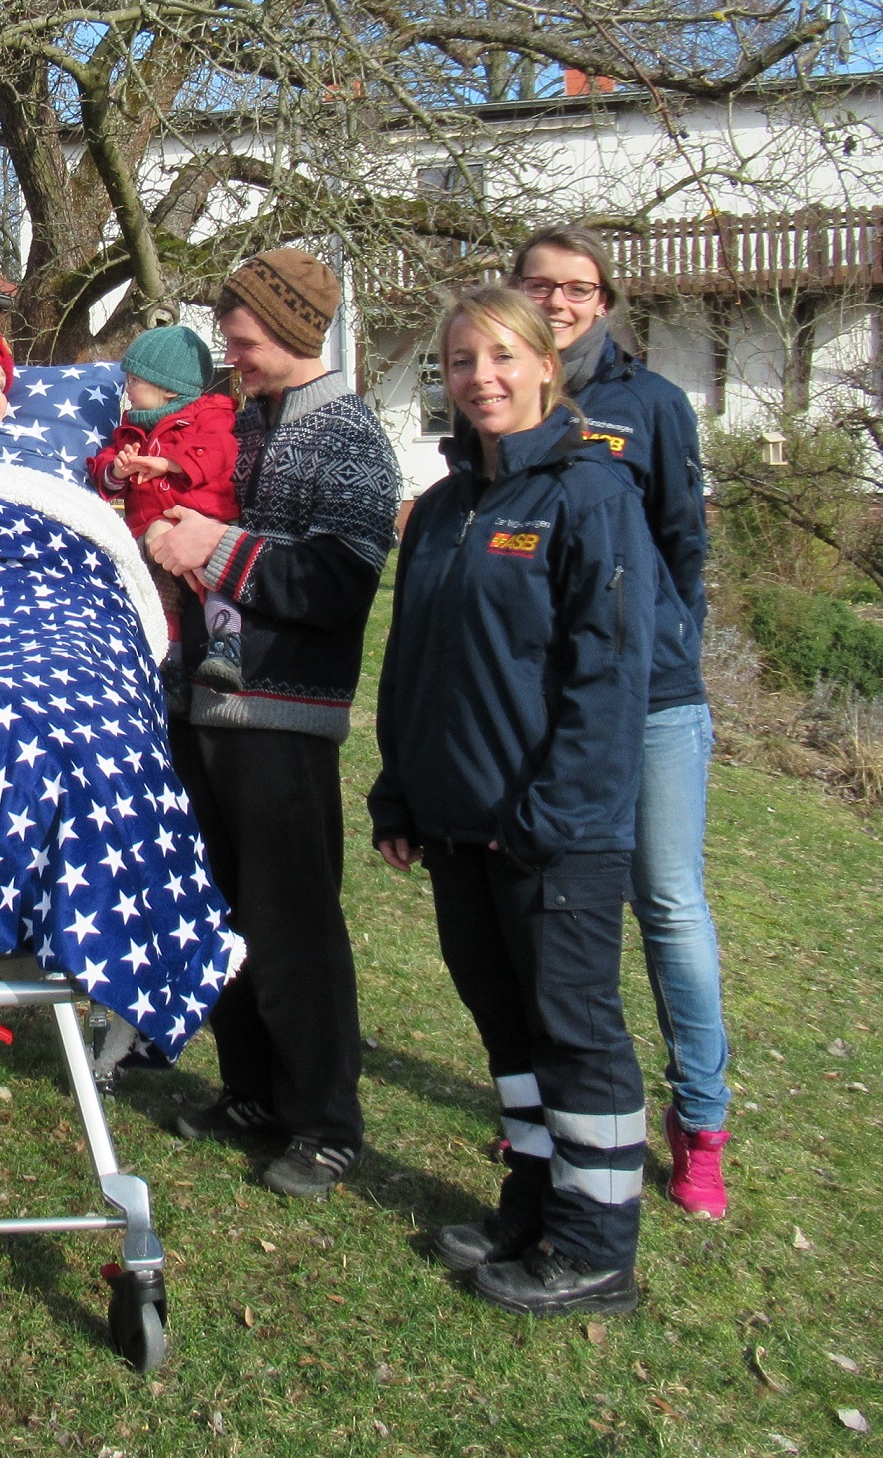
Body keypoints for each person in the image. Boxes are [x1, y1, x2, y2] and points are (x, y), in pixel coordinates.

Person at [369, 287, 657, 1317]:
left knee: (573, 1033)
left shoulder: (590, 495)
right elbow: (411, 662)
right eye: (458, 361)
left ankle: (594, 1247)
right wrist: (399, 790)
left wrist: (556, 814)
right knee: (508, 1034)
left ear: (546, 365)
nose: (479, 377)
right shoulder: (444, 509)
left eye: (500, 356)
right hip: (456, 823)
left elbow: (608, 679)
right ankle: (531, 1204)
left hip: (551, 835)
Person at [143, 248, 402, 1198]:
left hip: (283, 718)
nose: (232, 354)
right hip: (208, 703)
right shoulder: (247, 422)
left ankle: (326, 1124)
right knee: (226, 916)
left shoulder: (348, 436)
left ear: (293, 333)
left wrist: (215, 548)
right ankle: (251, 1090)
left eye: (245, 339)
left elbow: (337, 585)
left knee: (292, 925)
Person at [511, 226, 733, 1218]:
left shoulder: (651, 406)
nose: (558, 302)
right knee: (560, 905)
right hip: (547, 696)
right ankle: (581, 1102)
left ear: (604, 303)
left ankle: (703, 1121)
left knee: (669, 901)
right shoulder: (507, 397)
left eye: (577, 289)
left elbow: (682, 543)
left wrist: (655, 637)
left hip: (652, 701)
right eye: (539, 285)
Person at [86, 324, 243, 680]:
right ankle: (168, 664)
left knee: (209, 578)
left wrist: (168, 463)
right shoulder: (131, 429)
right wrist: (118, 470)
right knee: (159, 599)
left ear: (169, 388)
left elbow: (219, 451)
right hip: (151, 532)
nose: (128, 389)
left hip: (200, 519)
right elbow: (103, 469)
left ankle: (227, 639)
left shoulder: (208, 415)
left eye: (135, 381)